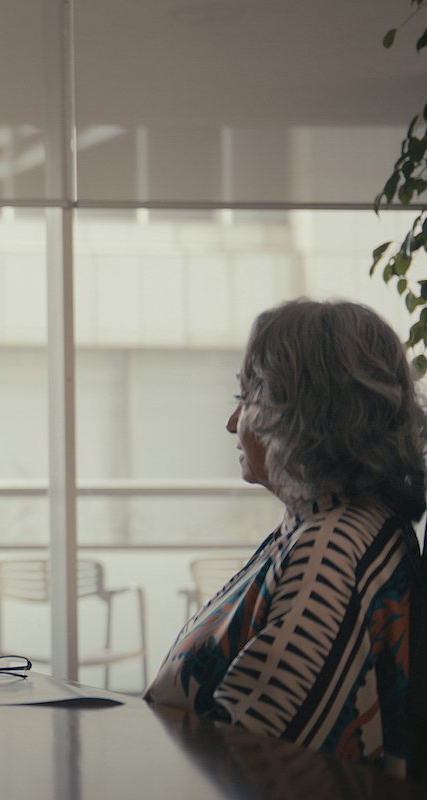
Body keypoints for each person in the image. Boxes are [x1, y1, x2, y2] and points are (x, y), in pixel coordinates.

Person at [145, 299, 424, 773]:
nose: (232, 424)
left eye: (245, 399)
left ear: (302, 415)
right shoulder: (328, 524)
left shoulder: (330, 555)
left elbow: (252, 763)